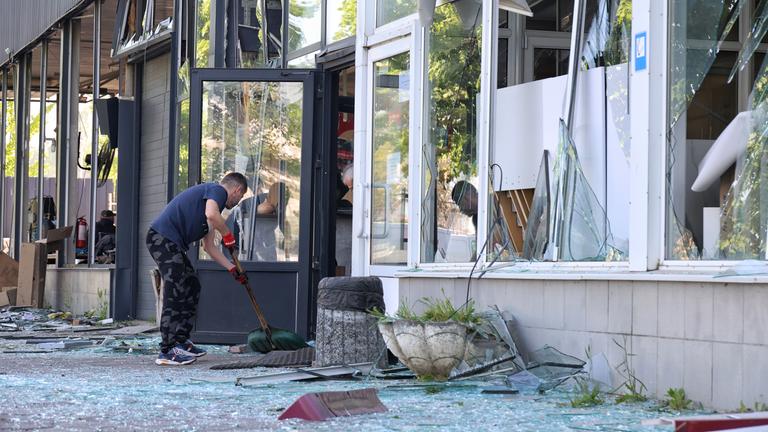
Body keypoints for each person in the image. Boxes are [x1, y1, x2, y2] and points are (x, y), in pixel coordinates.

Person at [146, 172, 248, 366]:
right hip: (161, 238)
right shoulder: (217, 191)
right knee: (176, 288)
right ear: (237, 190)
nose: (237, 201)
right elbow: (212, 214)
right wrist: (227, 234)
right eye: (240, 197)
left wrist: (232, 269)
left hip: (171, 243)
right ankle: (167, 350)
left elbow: (209, 247)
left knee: (192, 285)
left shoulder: (213, 208)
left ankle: (181, 341)